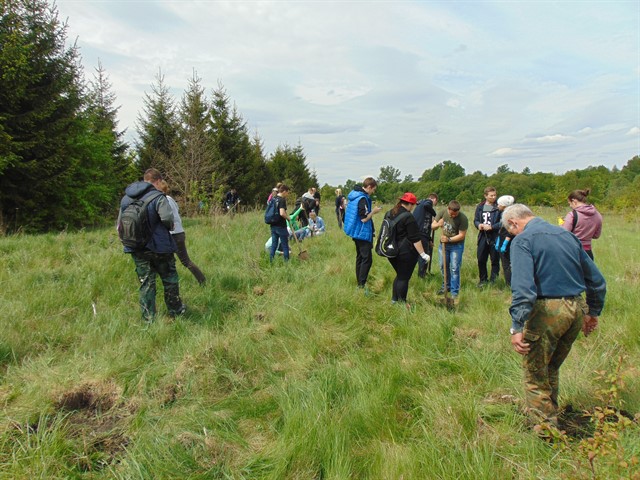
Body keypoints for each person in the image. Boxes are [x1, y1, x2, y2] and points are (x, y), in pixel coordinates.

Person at [503, 204, 606, 428]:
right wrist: (593, 312)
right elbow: (596, 281)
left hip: (547, 311)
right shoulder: (568, 236)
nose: (513, 235)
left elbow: (523, 289)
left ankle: (546, 433)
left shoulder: (523, 240)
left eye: (511, 231)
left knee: (535, 375)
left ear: (513, 223)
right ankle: (552, 414)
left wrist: (517, 326)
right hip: (575, 309)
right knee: (550, 367)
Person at [118, 168, 185, 323]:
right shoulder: (158, 197)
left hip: (136, 247)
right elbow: (168, 218)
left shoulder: (126, 199)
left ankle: (148, 318)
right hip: (160, 247)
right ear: (157, 181)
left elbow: (120, 224)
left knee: (146, 282)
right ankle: (175, 311)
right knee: (169, 279)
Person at [384, 193, 431, 306]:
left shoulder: (390, 212)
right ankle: (402, 303)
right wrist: (423, 254)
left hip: (390, 250)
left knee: (400, 275)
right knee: (404, 278)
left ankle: (394, 301)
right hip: (404, 252)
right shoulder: (408, 217)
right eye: (413, 205)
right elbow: (415, 238)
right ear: (410, 204)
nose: (413, 207)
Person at [158, 180, 206, 285]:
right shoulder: (170, 199)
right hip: (179, 233)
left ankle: (202, 280)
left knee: (184, 261)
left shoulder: (162, 201)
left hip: (173, 234)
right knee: (178, 261)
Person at [343, 177, 383, 293]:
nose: (373, 192)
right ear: (369, 187)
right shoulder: (362, 199)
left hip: (356, 232)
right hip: (361, 233)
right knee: (367, 259)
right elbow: (364, 218)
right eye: (373, 189)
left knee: (360, 257)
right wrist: (374, 212)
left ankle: (359, 282)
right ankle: (361, 285)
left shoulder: (355, 196)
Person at [432, 200, 468, 303]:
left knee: (454, 268)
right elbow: (432, 226)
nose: (453, 216)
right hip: (443, 245)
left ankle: (454, 291)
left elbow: (462, 235)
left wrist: (449, 239)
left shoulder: (463, 218)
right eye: (451, 214)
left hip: (456, 246)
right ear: (448, 209)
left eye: (455, 214)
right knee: (443, 266)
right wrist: (439, 224)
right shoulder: (442, 213)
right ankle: (445, 287)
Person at [562, 189, 603, 260]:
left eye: (570, 204)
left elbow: (564, 234)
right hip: (588, 254)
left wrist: (562, 224)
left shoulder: (572, 215)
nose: (570, 206)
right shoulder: (598, 215)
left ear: (574, 201)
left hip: (573, 252)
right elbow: (596, 236)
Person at [474, 186, 501, 287]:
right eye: (491, 196)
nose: (493, 197)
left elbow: (502, 222)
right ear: (485, 196)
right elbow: (476, 220)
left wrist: (492, 227)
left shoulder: (499, 207)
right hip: (483, 236)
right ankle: (483, 280)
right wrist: (479, 225)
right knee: (481, 259)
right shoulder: (480, 207)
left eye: (495, 195)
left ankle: (494, 281)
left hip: (495, 236)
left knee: (494, 259)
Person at [412, 193, 438, 278]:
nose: (434, 205)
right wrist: (435, 214)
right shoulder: (427, 202)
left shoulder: (419, 204)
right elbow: (427, 205)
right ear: (434, 199)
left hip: (416, 232)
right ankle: (422, 276)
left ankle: (421, 273)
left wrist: (429, 239)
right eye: (435, 203)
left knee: (417, 254)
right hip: (421, 233)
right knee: (425, 255)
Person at [494, 195, 515, 287]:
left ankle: (510, 285)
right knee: (505, 264)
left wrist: (505, 243)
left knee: (507, 265)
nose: (498, 206)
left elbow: (510, 231)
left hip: (509, 243)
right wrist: (499, 240)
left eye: (499, 204)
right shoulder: (503, 214)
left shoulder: (510, 215)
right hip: (502, 240)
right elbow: (502, 228)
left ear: (505, 206)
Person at [269, 184, 291, 262]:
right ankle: (287, 263)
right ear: (284, 191)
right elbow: (282, 213)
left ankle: (271, 261)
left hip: (273, 225)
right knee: (285, 245)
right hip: (281, 226)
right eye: (287, 192)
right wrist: (288, 218)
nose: (287, 195)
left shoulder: (273, 199)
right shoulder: (282, 200)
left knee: (274, 245)